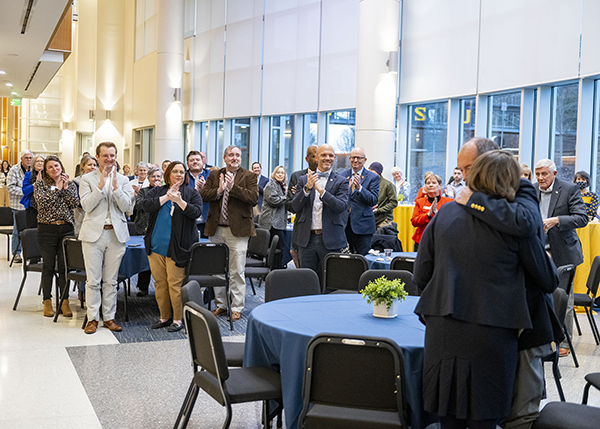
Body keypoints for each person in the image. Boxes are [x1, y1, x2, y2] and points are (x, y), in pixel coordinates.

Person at [414, 150, 558, 429]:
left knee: (448, 415)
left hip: (442, 327)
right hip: (493, 328)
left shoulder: (445, 214)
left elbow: (421, 273)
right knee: (486, 416)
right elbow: (547, 280)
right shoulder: (515, 224)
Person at [456, 139, 564, 429]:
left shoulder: (519, 193)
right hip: (486, 325)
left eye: (468, 168)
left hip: (524, 320)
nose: (464, 176)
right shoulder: (459, 207)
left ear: (487, 164)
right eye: (461, 169)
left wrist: (475, 202)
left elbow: (542, 266)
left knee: (520, 411)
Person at [534, 159, 588, 357]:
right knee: (538, 298)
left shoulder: (569, 189)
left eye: (544, 174)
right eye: (537, 174)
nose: (540, 178)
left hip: (563, 253)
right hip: (539, 253)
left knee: (563, 298)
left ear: (554, 173)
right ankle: (541, 338)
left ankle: (564, 340)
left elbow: (581, 218)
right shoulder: (532, 190)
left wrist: (557, 220)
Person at [79, 142, 134, 334]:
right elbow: (86, 205)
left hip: (116, 234)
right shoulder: (86, 179)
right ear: (98, 157)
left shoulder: (124, 180)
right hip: (94, 234)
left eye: (112, 155)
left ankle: (109, 317)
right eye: (105, 156)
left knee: (110, 281)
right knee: (93, 280)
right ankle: (93, 318)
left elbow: (127, 206)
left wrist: (117, 188)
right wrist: (101, 186)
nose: (109, 159)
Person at [142, 161, 203, 332]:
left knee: (175, 284)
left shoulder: (191, 193)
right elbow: (146, 205)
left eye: (182, 172)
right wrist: (168, 197)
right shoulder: (158, 190)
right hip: (155, 246)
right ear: (167, 174)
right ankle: (164, 317)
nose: (178, 174)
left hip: (177, 248)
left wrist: (180, 201)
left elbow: (196, 212)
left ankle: (177, 319)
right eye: (175, 171)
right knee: (160, 283)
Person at [200, 145, 258, 321]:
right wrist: (219, 190)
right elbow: (204, 194)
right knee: (217, 270)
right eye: (231, 155)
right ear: (224, 158)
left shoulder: (249, 176)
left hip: (238, 231)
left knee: (236, 271)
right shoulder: (215, 174)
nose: (235, 158)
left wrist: (232, 188)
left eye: (238, 155)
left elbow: (253, 198)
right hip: (215, 228)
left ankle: (237, 307)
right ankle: (221, 305)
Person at [34, 156, 80, 318]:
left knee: (64, 267)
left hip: (66, 229)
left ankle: (64, 301)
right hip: (47, 229)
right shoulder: (40, 184)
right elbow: (42, 203)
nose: (54, 169)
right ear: (46, 171)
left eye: (57, 166)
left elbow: (74, 203)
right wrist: (58, 190)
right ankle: (47, 301)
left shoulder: (71, 184)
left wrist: (65, 188)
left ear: (61, 166)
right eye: (50, 167)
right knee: (48, 266)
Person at [291, 144, 349, 273]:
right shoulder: (303, 180)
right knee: (307, 279)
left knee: (330, 280)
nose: (327, 158)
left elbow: (341, 206)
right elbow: (295, 207)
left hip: (331, 239)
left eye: (330, 155)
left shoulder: (342, 181)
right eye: (323, 155)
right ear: (316, 157)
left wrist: (322, 192)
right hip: (307, 239)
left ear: (334, 158)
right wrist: (307, 189)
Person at [286, 145, 318, 268]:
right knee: (295, 254)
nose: (317, 159)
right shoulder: (297, 177)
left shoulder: (331, 177)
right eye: (314, 156)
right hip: (302, 223)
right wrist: (300, 195)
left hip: (321, 228)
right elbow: (290, 204)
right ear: (307, 158)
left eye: (318, 156)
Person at [133, 166, 163, 297]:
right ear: (148, 178)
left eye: (158, 176)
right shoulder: (143, 191)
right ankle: (143, 287)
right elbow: (139, 205)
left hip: (160, 228)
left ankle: (161, 288)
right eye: (153, 176)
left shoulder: (165, 191)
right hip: (144, 227)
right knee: (145, 257)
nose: (156, 179)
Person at [343, 147, 379, 255]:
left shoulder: (372, 177)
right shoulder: (342, 176)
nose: (355, 160)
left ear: (365, 160)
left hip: (363, 227)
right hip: (345, 225)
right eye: (353, 157)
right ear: (349, 159)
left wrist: (360, 189)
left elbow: (373, 200)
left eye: (359, 158)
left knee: (363, 259)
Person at [411, 172, 452, 250]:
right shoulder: (419, 202)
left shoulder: (449, 202)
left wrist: (438, 214)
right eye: (428, 183)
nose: (430, 185)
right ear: (425, 187)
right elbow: (414, 222)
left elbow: (451, 223)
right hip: (422, 240)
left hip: (442, 240)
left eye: (434, 183)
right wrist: (428, 215)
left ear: (439, 186)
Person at [7, 150, 33, 263]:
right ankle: (16, 253)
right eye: (26, 158)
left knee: (31, 229)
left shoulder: (33, 170)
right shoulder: (14, 170)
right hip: (18, 205)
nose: (29, 160)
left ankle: (32, 253)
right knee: (17, 230)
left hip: (31, 205)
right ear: (21, 159)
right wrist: (26, 191)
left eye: (30, 158)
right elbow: (10, 187)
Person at [258, 165, 288, 262]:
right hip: (271, 223)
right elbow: (274, 201)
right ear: (274, 174)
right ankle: (273, 272)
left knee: (278, 249)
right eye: (278, 172)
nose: (280, 174)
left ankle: (275, 271)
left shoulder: (281, 186)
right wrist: (286, 196)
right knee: (276, 250)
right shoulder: (271, 185)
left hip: (278, 222)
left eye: (282, 173)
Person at [72, 154, 98, 236]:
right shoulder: (76, 182)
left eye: (94, 165)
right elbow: (78, 202)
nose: (92, 167)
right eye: (89, 165)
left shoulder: (100, 181)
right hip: (82, 216)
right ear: (83, 166)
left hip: (97, 217)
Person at [186, 151, 210, 236]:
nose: (195, 162)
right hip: (188, 220)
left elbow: (216, 195)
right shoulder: (183, 177)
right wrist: (196, 191)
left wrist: (205, 189)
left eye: (197, 160)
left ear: (203, 162)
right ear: (188, 163)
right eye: (192, 160)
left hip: (207, 221)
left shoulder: (211, 175)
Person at [368, 161, 397, 230]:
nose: (370, 174)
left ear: (378, 173)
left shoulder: (388, 185)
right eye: (369, 171)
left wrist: (379, 210)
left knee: (380, 237)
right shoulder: (368, 183)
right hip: (370, 218)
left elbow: (394, 202)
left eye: (372, 171)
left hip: (384, 219)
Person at [20, 155, 45, 229]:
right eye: (37, 161)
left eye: (42, 161)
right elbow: (25, 191)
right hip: (32, 207)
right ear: (34, 163)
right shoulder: (28, 175)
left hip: (45, 208)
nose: (40, 163)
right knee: (32, 230)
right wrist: (35, 184)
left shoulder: (48, 175)